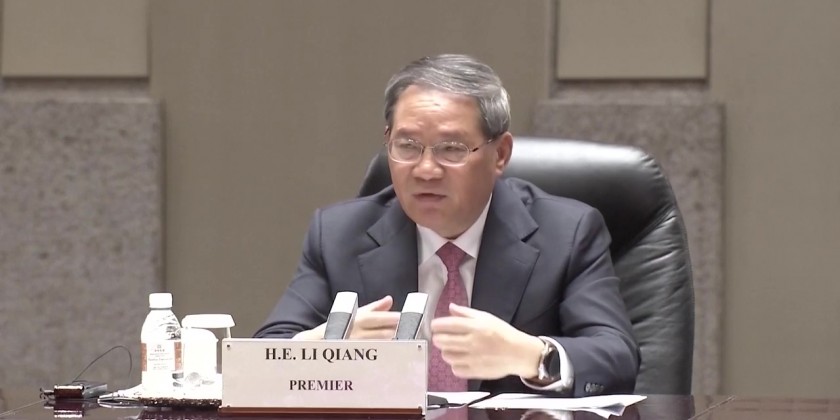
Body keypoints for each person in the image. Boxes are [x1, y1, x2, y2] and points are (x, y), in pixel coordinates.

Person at [254, 54, 639, 396]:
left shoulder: (567, 233)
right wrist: (326, 350)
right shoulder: (338, 234)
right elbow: (262, 357)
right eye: (407, 146)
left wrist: (531, 355)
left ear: (500, 154)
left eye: (451, 149)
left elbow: (617, 356)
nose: (425, 170)